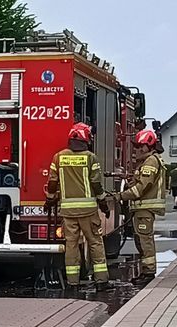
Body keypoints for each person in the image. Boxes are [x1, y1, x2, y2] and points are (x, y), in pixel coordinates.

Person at [45, 123, 111, 290]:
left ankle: (72, 283)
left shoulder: (58, 157)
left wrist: (50, 199)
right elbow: (96, 184)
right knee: (95, 242)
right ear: (85, 138)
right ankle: (101, 281)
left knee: (71, 245)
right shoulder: (91, 157)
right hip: (88, 211)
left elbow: (52, 182)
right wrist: (103, 203)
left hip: (68, 212)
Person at [118, 129, 165, 281]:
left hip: (144, 208)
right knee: (141, 240)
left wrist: (120, 196)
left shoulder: (151, 161)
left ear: (149, 146)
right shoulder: (147, 161)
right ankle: (146, 271)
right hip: (141, 209)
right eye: (136, 146)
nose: (137, 149)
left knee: (145, 241)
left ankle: (149, 273)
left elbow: (142, 187)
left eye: (140, 146)